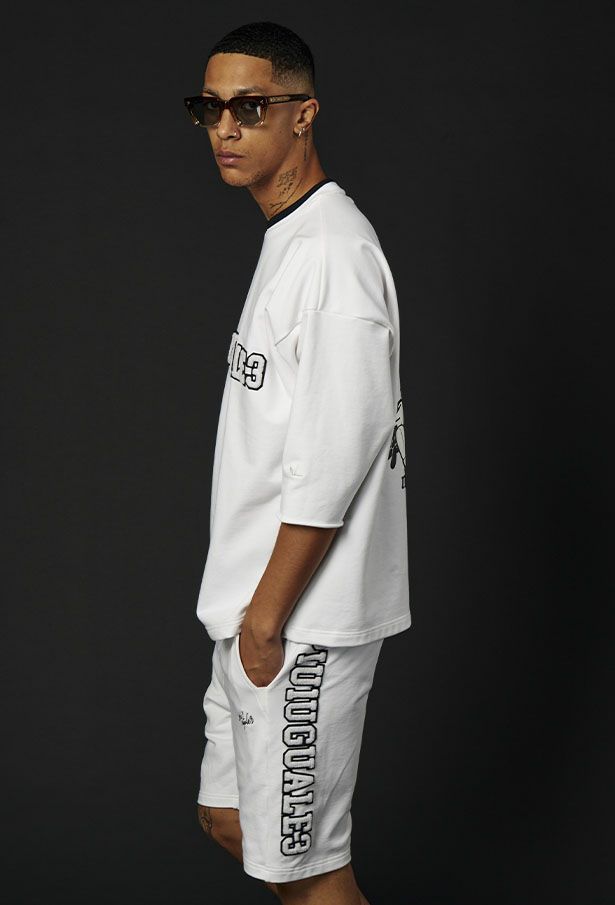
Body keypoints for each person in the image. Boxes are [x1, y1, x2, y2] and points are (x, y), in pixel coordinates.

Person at [184, 21, 410, 905]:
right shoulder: (290, 238)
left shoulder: (334, 258)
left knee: (311, 873)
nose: (225, 127)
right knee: (229, 818)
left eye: (250, 107)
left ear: (304, 114)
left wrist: (267, 622)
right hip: (251, 607)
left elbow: (334, 463)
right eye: (211, 108)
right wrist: (245, 617)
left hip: (299, 620)